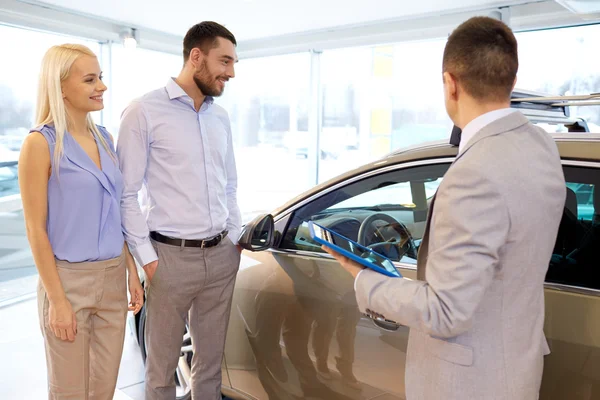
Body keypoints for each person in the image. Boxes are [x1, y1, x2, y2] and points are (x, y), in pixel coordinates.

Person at [324, 16, 566, 400]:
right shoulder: (541, 145)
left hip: (468, 384)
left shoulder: (474, 173)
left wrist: (364, 279)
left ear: (450, 82)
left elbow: (445, 312)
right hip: (515, 367)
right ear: (511, 80)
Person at [117, 21, 242, 400]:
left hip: (221, 257)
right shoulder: (144, 111)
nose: (231, 73)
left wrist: (233, 240)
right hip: (169, 258)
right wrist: (150, 261)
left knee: (209, 369)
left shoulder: (219, 117)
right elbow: (126, 194)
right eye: (225, 61)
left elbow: (230, 184)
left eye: (234, 63)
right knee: (160, 372)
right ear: (196, 56)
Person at [18, 43, 143, 400]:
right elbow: (35, 230)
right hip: (67, 283)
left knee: (103, 390)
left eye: (100, 77)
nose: (101, 86)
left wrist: (132, 271)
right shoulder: (40, 143)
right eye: (90, 79)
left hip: (113, 278)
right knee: (71, 392)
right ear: (60, 88)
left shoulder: (105, 137)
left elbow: (113, 212)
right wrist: (57, 300)